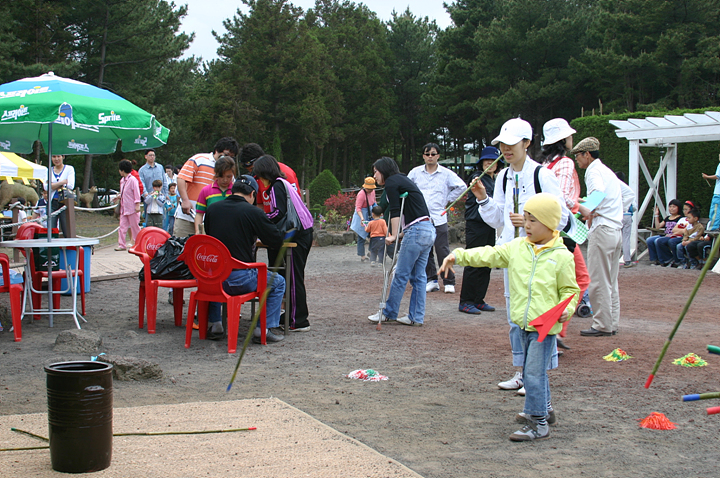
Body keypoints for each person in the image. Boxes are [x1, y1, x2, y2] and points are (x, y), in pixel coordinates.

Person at [439, 193, 580, 441]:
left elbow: (570, 290)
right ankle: (545, 410)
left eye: (532, 220)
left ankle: (537, 422)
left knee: (534, 373)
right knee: (532, 370)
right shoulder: (517, 248)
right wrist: (458, 255)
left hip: (544, 327)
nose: (525, 225)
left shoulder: (562, 256)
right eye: (525, 219)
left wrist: (566, 309)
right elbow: (488, 254)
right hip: (522, 323)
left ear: (549, 224)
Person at [472, 118, 569, 392]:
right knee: (516, 316)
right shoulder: (503, 176)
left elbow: (561, 217)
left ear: (527, 143)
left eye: (511, 143)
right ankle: (522, 371)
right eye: (502, 144)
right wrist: (482, 198)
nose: (505, 148)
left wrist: (530, 219)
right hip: (513, 256)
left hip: (541, 257)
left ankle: (537, 375)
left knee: (539, 317)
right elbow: (497, 220)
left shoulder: (542, 175)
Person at [203, 175, 287, 343]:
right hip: (240, 279)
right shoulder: (253, 212)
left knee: (216, 271)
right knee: (278, 282)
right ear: (252, 194)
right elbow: (275, 239)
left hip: (212, 279)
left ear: (232, 190)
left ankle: (216, 323)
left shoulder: (212, 209)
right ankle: (263, 328)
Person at [538, 118, 591, 345]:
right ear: (563, 140)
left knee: (553, 280)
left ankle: (553, 329)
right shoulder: (566, 163)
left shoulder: (543, 164)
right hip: (564, 228)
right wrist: (580, 206)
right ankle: (555, 329)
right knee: (580, 279)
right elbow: (561, 196)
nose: (572, 139)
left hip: (546, 228)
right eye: (569, 136)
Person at [367, 157, 436, 326]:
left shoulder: (391, 182)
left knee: (401, 274)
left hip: (416, 231)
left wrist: (394, 234)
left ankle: (389, 312)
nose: (374, 176)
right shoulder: (404, 180)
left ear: (383, 170)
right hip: (428, 229)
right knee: (419, 277)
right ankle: (416, 317)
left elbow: (396, 211)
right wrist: (397, 235)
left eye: (376, 171)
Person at [253, 155, 313, 332]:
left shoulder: (277, 185)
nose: (258, 180)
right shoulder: (282, 183)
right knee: (292, 276)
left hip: (298, 234)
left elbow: (279, 213)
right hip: (302, 231)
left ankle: (298, 320)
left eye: (258, 176)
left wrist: (260, 220)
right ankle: (292, 315)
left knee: (294, 278)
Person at [571, 137, 624, 337]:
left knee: (599, 280)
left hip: (602, 230)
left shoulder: (593, 171)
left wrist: (584, 208)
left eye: (578, 155)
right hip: (615, 228)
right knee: (611, 280)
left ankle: (602, 324)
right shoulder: (607, 171)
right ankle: (612, 322)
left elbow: (598, 194)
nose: (577, 159)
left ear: (587, 154)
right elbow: (625, 194)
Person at [408, 143, 467, 294]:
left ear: (438, 156)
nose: (430, 157)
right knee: (425, 250)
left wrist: (447, 199)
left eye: (433, 154)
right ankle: (431, 279)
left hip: (439, 216)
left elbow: (461, 187)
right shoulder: (415, 173)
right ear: (423, 156)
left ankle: (449, 281)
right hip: (421, 216)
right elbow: (407, 187)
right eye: (427, 154)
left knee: (442, 249)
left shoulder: (446, 173)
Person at [458, 146, 501, 315]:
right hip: (476, 225)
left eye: (493, 161)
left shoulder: (495, 179)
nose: (489, 163)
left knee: (487, 262)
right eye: (486, 160)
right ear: (481, 163)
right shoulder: (478, 177)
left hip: (490, 225)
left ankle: (478, 299)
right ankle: (466, 301)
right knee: (474, 262)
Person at [174, 137, 240, 238]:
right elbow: (181, 178)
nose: (228, 158)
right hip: (188, 215)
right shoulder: (199, 159)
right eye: (226, 155)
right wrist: (185, 200)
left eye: (232, 157)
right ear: (217, 150)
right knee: (181, 247)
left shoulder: (229, 171)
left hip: (210, 222)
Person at [238, 143, 301, 212]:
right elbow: (260, 205)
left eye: (252, 169)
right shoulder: (257, 177)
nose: (253, 173)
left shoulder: (286, 173)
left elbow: (295, 204)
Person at [193, 156, 236, 235]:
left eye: (229, 176)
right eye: (221, 176)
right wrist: (198, 231)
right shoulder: (206, 191)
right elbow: (199, 214)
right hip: (212, 233)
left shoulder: (236, 191)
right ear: (216, 174)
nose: (225, 180)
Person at [656, 201, 694, 266]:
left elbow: (687, 231)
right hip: (671, 235)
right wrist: (656, 215)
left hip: (683, 237)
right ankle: (662, 260)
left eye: (686, 209)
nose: (685, 211)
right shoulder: (682, 219)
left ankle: (676, 260)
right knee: (652, 240)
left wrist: (679, 231)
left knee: (670, 241)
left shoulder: (686, 218)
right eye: (670, 206)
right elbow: (674, 230)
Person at [114, 159, 141, 251]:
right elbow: (124, 192)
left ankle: (138, 243)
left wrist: (137, 204)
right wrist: (118, 196)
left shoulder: (133, 180)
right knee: (122, 227)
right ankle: (122, 244)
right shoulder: (122, 181)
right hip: (124, 208)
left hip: (132, 207)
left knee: (135, 227)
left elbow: (136, 193)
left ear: (122, 170)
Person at [646, 199, 683, 265]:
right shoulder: (668, 218)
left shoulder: (681, 218)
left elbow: (681, 230)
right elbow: (658, 227)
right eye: (670, 206)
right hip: (665, 235)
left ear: (678, 208)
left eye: (674, 207)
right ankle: (655, 259)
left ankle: (666, 259)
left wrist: (673, 234)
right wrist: (656, 215)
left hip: (673, 236)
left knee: (658, 241)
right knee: (649, 240)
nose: (671, 208)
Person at [45, 154, 75, 237]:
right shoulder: (48, 170)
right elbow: (46, 187)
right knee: (51, 230)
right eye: (54, 157)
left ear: (63, 157)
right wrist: (62, 182)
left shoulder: (69, 169)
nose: (56, 159)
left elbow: (70, 185)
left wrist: (53, 184)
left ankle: (69, 248)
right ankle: (53, 249)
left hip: (65, 202)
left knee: (67, 229)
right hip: (52, 202)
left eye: (58, 156)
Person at [614, 171, 637, 268]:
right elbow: (634, 206)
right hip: (627, 215)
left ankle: (613, 260)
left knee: (615, 237)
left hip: (616, 215)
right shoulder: (627, 190)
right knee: (626, 238)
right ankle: (627, 260)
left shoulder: (613, 189)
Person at [351, 177, 377, 262]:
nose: (370, 190)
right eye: (369, 189)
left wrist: (378, 212)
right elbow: (358, 208)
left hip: (370, 213)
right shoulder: (361, 194)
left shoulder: (373, 192)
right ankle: (362, 255)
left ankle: (371, 251)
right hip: (362, 214)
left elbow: (374, 202)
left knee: (373, 234)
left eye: (371, 188)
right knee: (361, 236)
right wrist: (362, 218)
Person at [701, 153, 720, 231]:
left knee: (715, 211)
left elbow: (717, 176)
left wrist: (707, 177)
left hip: (718, 194)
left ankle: (713, 228)